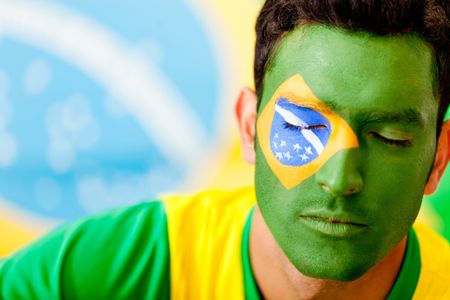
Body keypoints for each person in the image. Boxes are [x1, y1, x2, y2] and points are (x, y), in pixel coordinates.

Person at [1, 0, 450, 298]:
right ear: (250, 127)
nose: (339, 178)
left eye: (390, 137)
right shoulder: (119, 268)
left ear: (438, 159)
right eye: (300, 126)